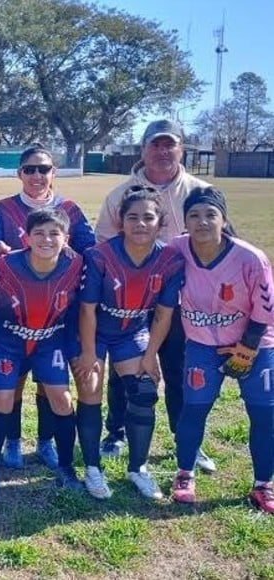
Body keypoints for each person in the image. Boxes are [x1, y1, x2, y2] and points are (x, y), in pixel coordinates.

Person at [95, 119, 216, 474]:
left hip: (183, 301)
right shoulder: (120, 195)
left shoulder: (199, 190)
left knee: (178, 369)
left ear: (181, 148)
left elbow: (218, 240)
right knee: (124, 370)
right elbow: (103, 244)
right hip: (129, 301)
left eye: (170, 144)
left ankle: (186, 440)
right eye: (155, 145)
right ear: (143, 148)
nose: (163, 152)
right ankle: (115, 432)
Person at [146, 187, 274, 512]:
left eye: (210, 214)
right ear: (185, 221)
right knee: (193, 409)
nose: (202, 222)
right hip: (202, 345)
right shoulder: (177, 250)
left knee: (265, 415)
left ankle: (263, 485)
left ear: (223, 219)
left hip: (255, 345)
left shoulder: (250, 257)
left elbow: (266, 308)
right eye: (194, 215)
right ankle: (185, 473)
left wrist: (246, 349)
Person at [0, 145, 95, 470]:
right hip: (14, 316)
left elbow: (91, 252)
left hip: (57, 314)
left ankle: (46, 441)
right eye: (29, 169)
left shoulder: (69, 209)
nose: (37, 176)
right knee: (11, 384)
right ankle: (12, 440)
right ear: (20, 173)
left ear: (53, 172)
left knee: (51, 383)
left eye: (43, 169)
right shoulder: (3, 209)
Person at [70, 188, 183, 500]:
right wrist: (90, 353)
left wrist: (150, 356)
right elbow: (87, 310)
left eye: (148, 217)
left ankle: (138, 468)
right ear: (121, 221)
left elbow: (163, 314)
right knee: (90, 390)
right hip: (93, 333)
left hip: (131, 333)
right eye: (132, 217)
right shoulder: (99, 256)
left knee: (145, 392)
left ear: (160, 222)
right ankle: (93, 468)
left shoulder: (170, 259)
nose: (140, 224)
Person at [0, 207, 84, 498]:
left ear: (66, 238)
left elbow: (80, 307)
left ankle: (66, 468)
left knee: (62, 399)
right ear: (26, 237)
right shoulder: (3, 266)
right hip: (5, 341)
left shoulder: (77, 265)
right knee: (2, 397)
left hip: (49, 340)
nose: (46, 239)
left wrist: (78, 348)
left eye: (54, 233)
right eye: (39, 233)